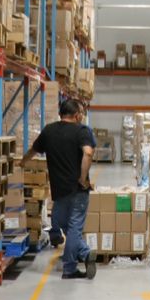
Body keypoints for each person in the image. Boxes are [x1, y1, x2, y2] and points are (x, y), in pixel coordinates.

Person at [25, 97, 97, 279]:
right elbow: (88, 153)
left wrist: (21, 163)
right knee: (74, 229)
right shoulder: (82, 131)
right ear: (77, 115)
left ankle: (84, 253)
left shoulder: (49, 131)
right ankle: (72, 266)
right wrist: (83, 178)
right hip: (78, 190)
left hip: (59, 190)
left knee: (66, 226)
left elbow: (33, 150)